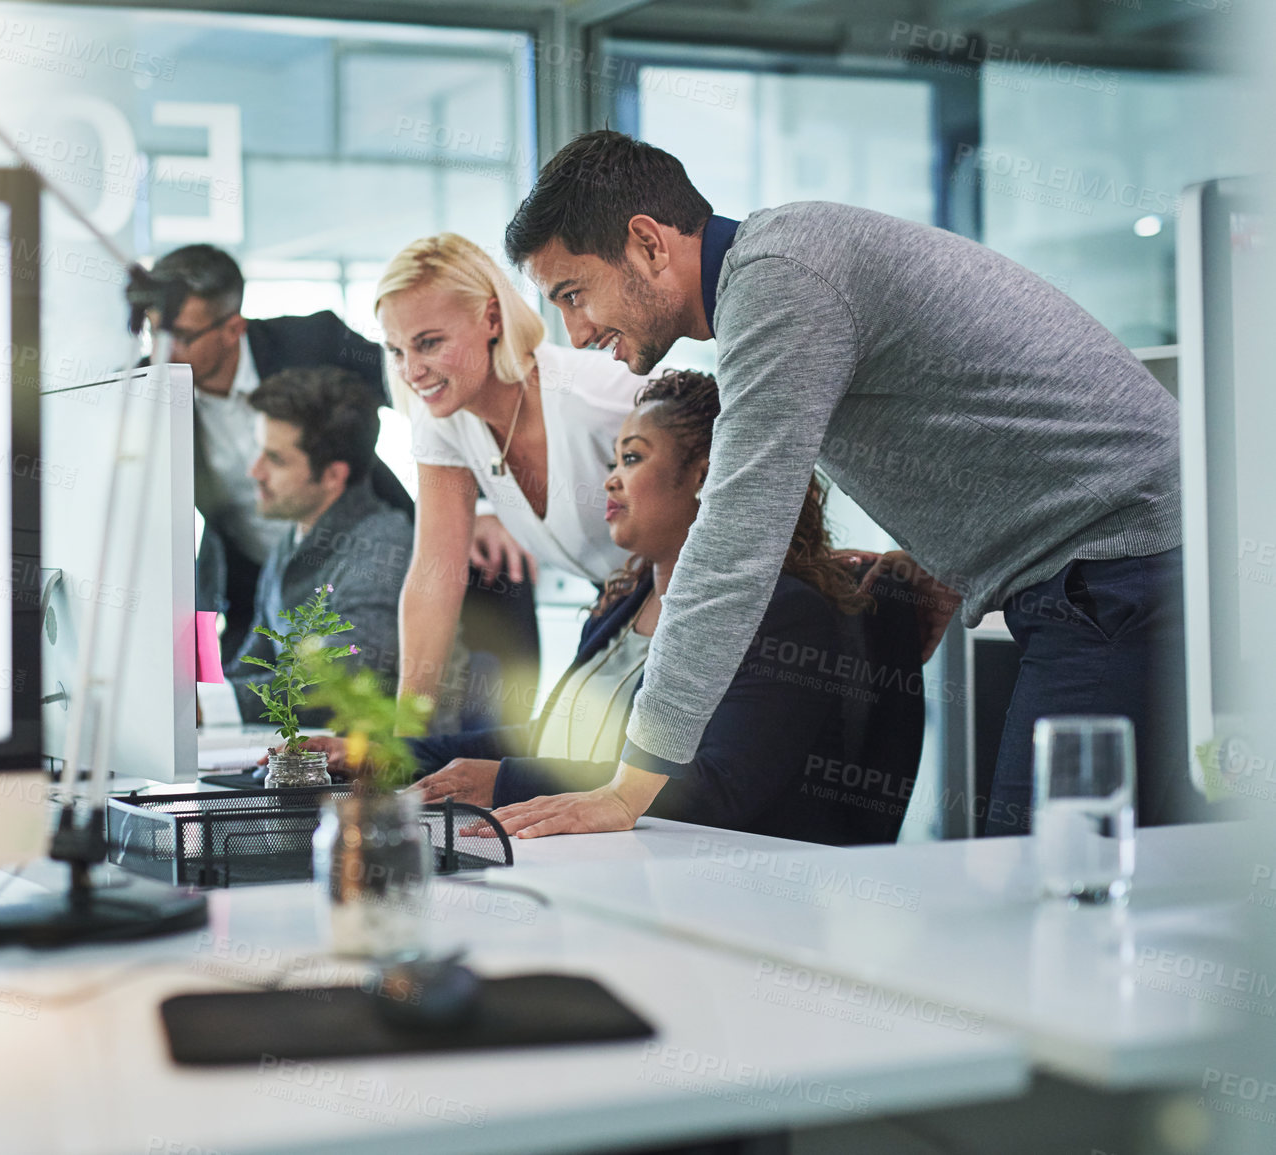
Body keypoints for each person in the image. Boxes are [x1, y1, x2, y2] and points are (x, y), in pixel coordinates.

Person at [494, 129, 1188, 839]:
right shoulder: (784, 266)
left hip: (1121, 565)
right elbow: (959, 403)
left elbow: (735, 536)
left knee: (1057, 869)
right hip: (1119, 562)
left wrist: (627, 787)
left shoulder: (779, 282)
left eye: (573, 295)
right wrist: (945, 558)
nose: (575, 333)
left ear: (646, 242)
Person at [303, 370, 921, 845]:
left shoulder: (782, 613)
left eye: (631, 458)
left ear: (706, 476)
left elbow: (719, 791)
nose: (609, 480)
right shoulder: (622, 604)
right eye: (611, 461)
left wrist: (505, 781)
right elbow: (558, 738)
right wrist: (387, 752)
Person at [148, 244, 536, 679]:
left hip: (361, 553)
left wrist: (479, 503)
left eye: (181, 335)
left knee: (359, 683)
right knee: (237, 699)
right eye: (153, 331)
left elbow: (430, 392)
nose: (162, 351)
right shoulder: (146, 392)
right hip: (257, 578)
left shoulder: (313, 342)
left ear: (232, 327)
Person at [374, 233, 648, 728]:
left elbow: (734, 470)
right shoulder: (442, 418)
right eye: (396, 350)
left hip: (700, 607)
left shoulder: (600, 397)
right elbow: (434, 576)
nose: (412, 371)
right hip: (624, 620)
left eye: (429, 343)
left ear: (492, 319)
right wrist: (402, 738)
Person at [195, 366, 413, 727]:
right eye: (260, 452)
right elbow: (254, 664)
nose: (255, 472)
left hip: (366, 770)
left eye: (276, 459)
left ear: (332, 475)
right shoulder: (292, 539)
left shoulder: (382, 546)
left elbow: (339, 682)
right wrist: (198, 700)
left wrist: (213, 706)